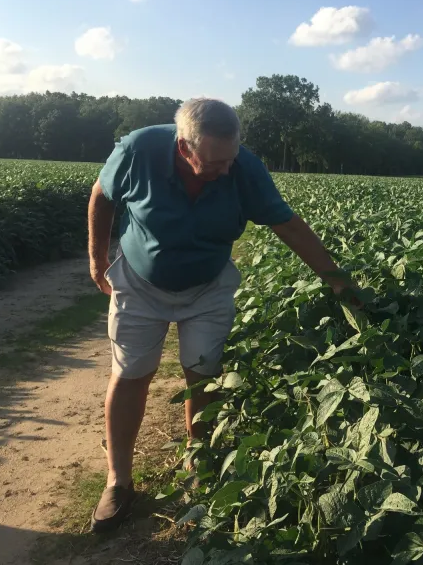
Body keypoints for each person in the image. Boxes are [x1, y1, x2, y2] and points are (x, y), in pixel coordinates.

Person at [87, 98, 357, 533]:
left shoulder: (243, 168)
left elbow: (287, 224)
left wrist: (336, 278)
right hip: (139, 282)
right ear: (184, 147)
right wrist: (97, 261)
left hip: (208, 286)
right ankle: (118, 481)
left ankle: (200, 464)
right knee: (132, 371)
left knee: (204, 373)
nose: (225, 170)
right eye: (214, 162)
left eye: (230, 159)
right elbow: (103, 196)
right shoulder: (139, 150)